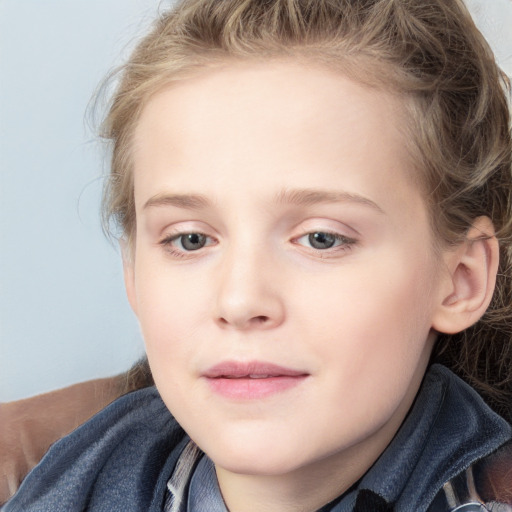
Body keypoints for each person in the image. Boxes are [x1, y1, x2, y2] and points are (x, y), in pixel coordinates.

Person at [2, 0, 512, 510]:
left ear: (461, 280)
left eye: (321, 238)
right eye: (190, 239)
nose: (241, 300)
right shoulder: (72, 481)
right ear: (132, 271)